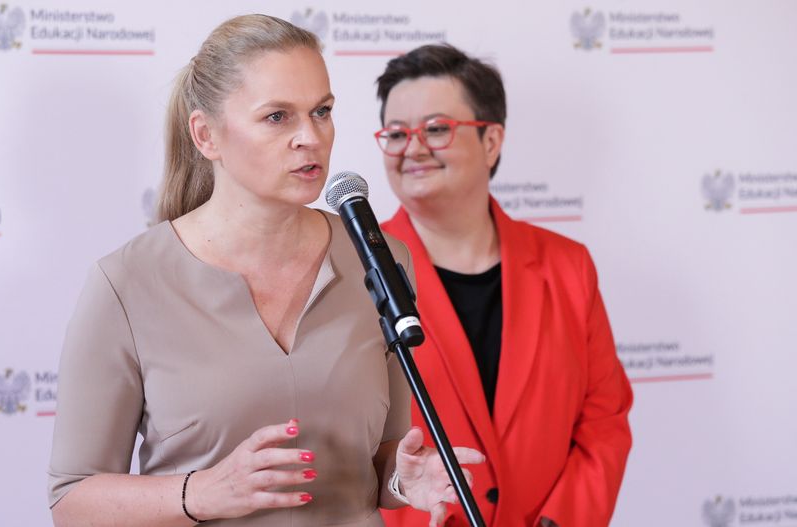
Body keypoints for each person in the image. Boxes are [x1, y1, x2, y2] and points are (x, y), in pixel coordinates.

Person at [46, 16, 483, 527]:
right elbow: (72, 501)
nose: (310, 137)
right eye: (277, 117)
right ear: (206, 135)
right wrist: (201, 493)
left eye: (322, 111)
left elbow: (383, 455)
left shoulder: (380, 259)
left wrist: (405, 480)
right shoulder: (125, 283)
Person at [374, 44, 633, 527]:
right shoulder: (356, 273)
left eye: (436, 129)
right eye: (396, 133)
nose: (413, 148)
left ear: (491, 141)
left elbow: (604, 423)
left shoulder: (568, 266)